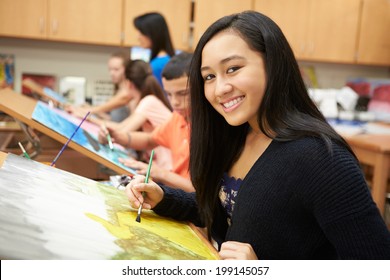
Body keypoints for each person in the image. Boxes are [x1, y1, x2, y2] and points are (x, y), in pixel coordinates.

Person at [125, 11, 390, 260]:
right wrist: (164, 198)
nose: (220, 89)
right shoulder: (236, 136)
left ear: (272, 64)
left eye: (233, 69)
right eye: (209, 77)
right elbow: (228, 209)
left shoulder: (321, 159)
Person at [102, 52, 194, 192]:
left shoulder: (208, 128)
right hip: (177, 194)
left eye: (183, 93)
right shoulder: (178, 118)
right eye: (169, 94)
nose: (174, 102)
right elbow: (150, 140)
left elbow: (201, 191)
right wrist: (118, 137)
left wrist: (160, 173)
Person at [98, 59, 173, 170]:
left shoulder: (148, 101)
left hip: (167, 168)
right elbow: (120, 127)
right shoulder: (148, 101)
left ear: (128, 83)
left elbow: (123, 132)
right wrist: (90, 120)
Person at [67, 52, 133, 122]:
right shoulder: (118, 90)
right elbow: (113, 119)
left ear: (126, 70)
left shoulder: (127, 92)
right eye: (110, 69)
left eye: (116, 69)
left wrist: (87, 110)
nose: (111, 73)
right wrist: (89, 109)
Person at [133, 12, 175, 86]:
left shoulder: (157, 65)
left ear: (154, 33)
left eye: (142, 32)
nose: (138, 37)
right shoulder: (166, 60)